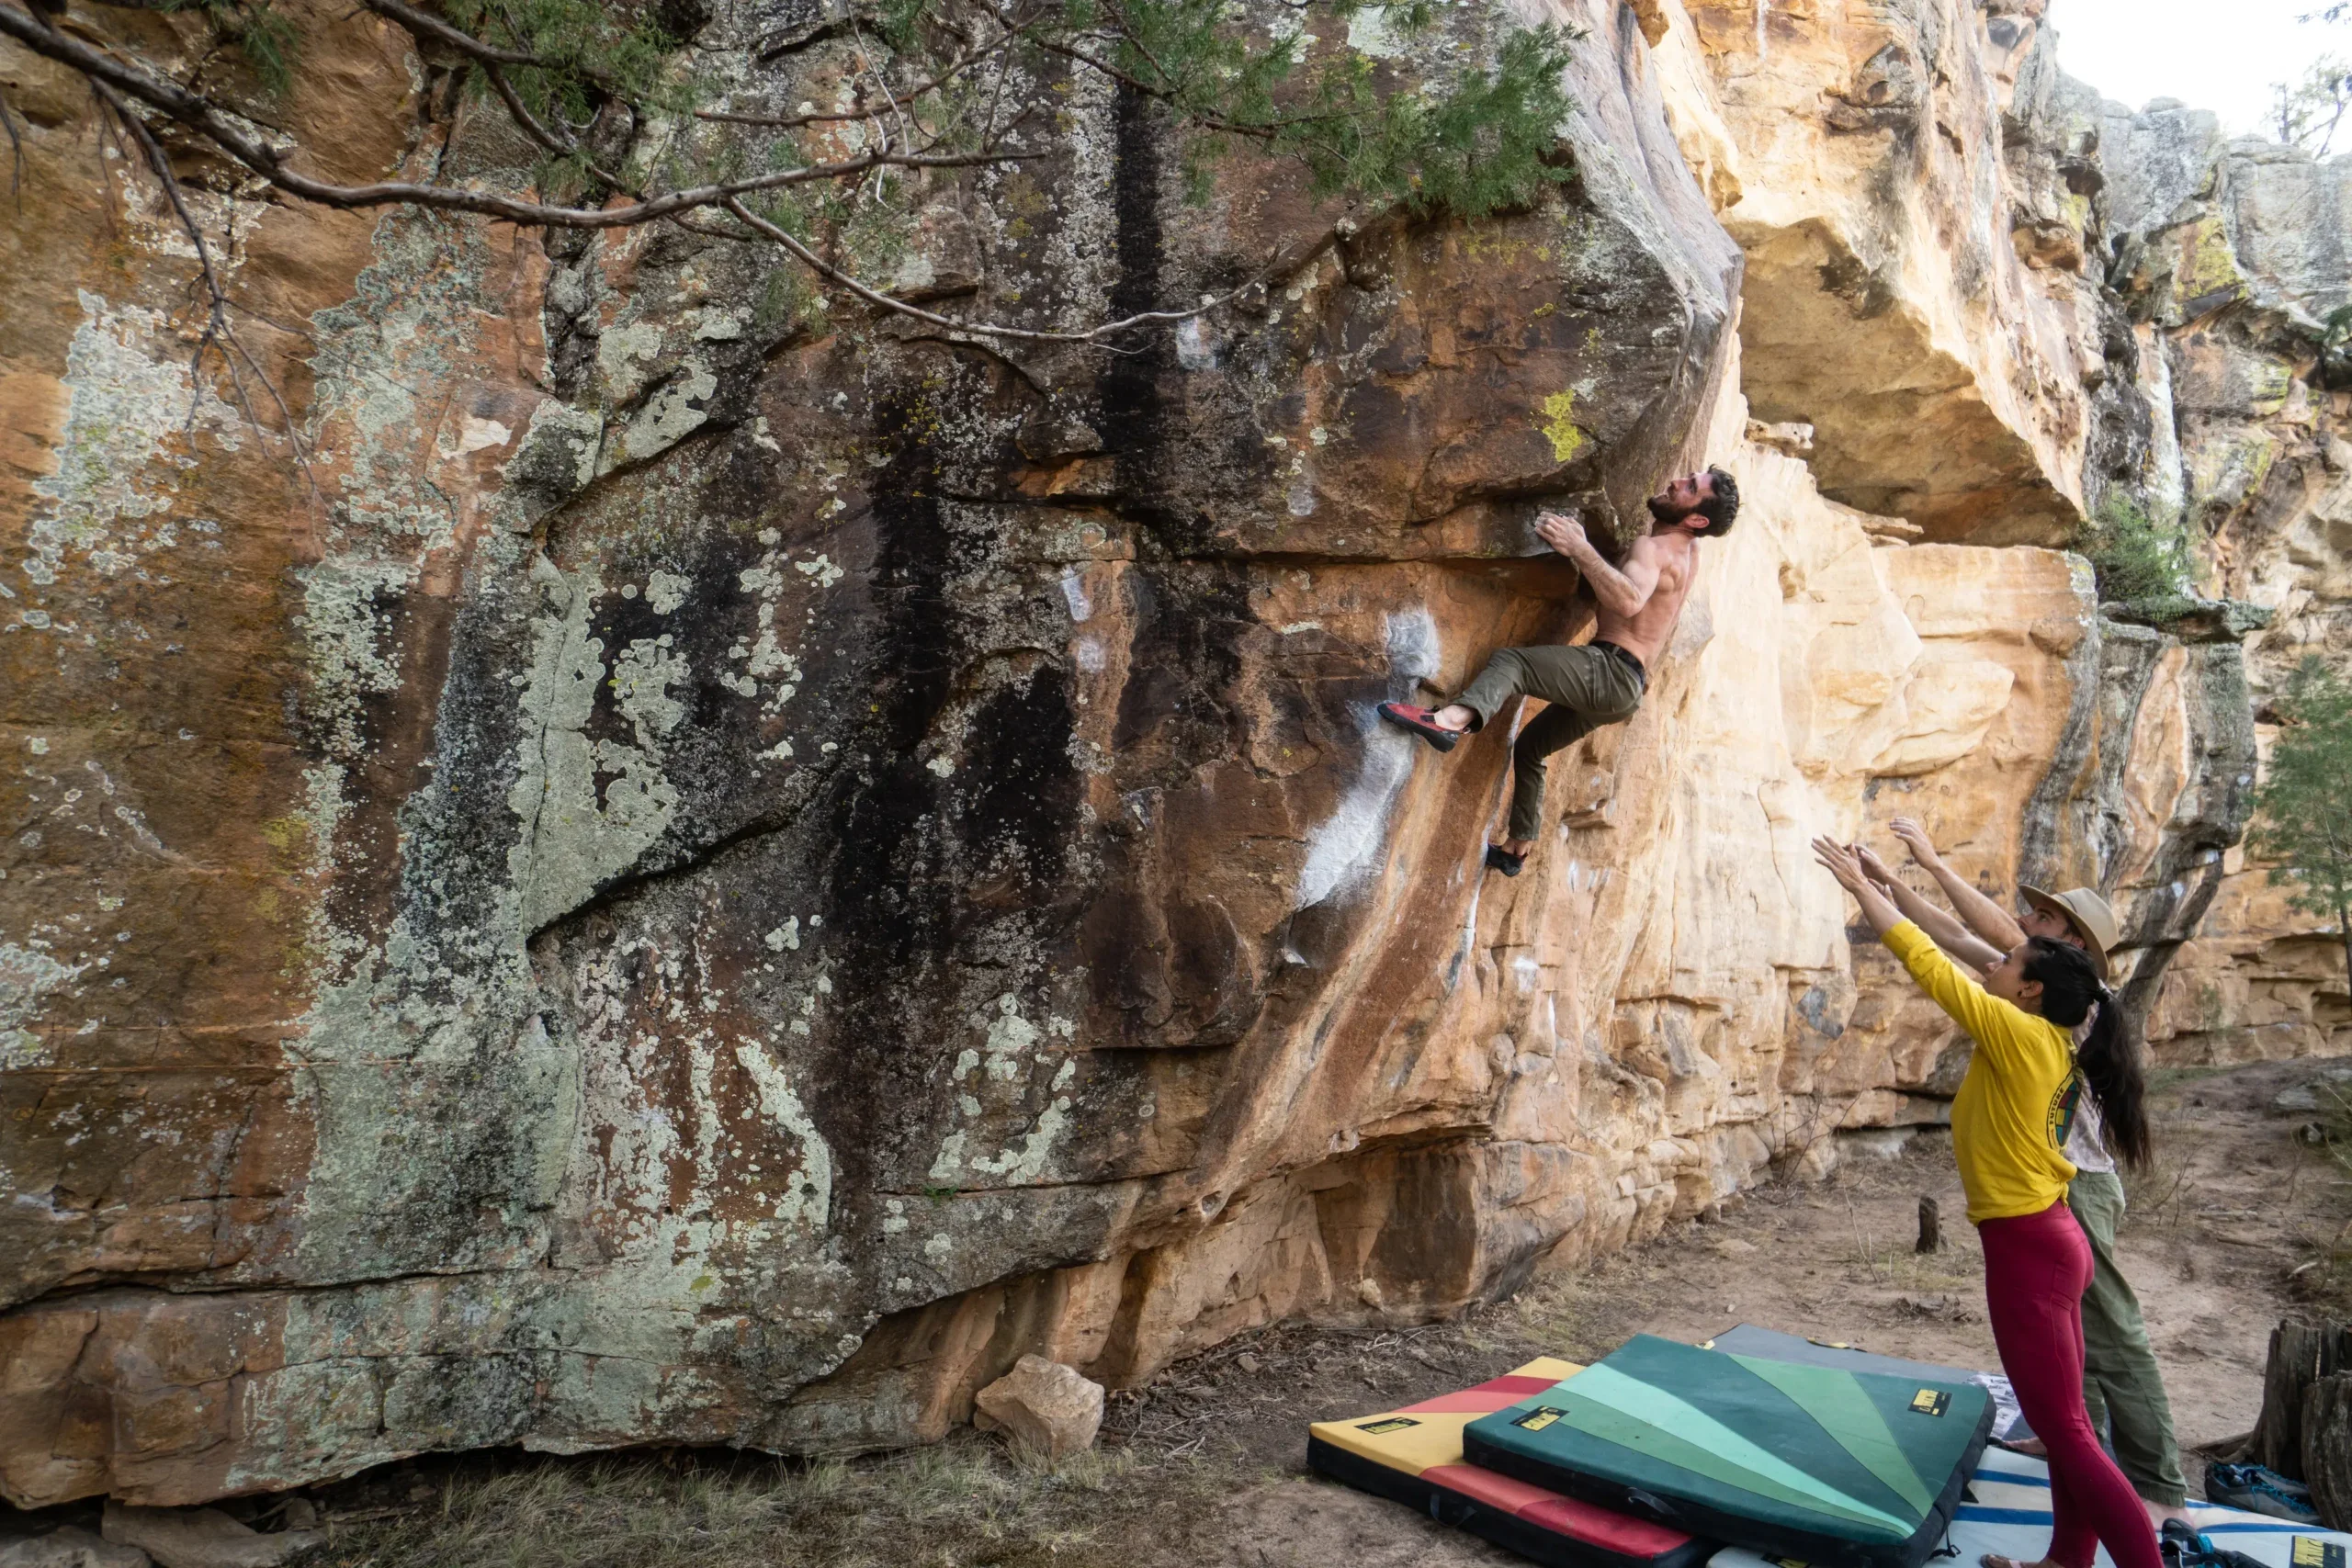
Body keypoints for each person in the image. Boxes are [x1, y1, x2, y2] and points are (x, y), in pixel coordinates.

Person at [1812, 834, 2162, 1568]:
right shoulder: (2046, 1034)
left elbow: (1931, 963)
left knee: (2062, 1426)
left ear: (2031, 987)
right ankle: (2068, 1558)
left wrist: (1860, 888)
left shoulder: (2018, 1031)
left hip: (2030, 1249)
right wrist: (1904, 876)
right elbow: (1961, 941)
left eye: (2009, 964)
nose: (1999, 963)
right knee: (2065, 1422)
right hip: (2050, 1237)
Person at [1376, 468, 1740, 875]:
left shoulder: (1654, 548)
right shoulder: (1690, 554)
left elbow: (1629, 601)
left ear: (1697, 520)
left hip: (1611, 670)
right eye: (1688, 476)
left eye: (1691, 488)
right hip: (1626, 689)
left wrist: (1580, 548)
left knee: (1511, 662)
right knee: (1531, 748)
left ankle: (1449, 721)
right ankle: (1518, 846)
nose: (1677, 481)